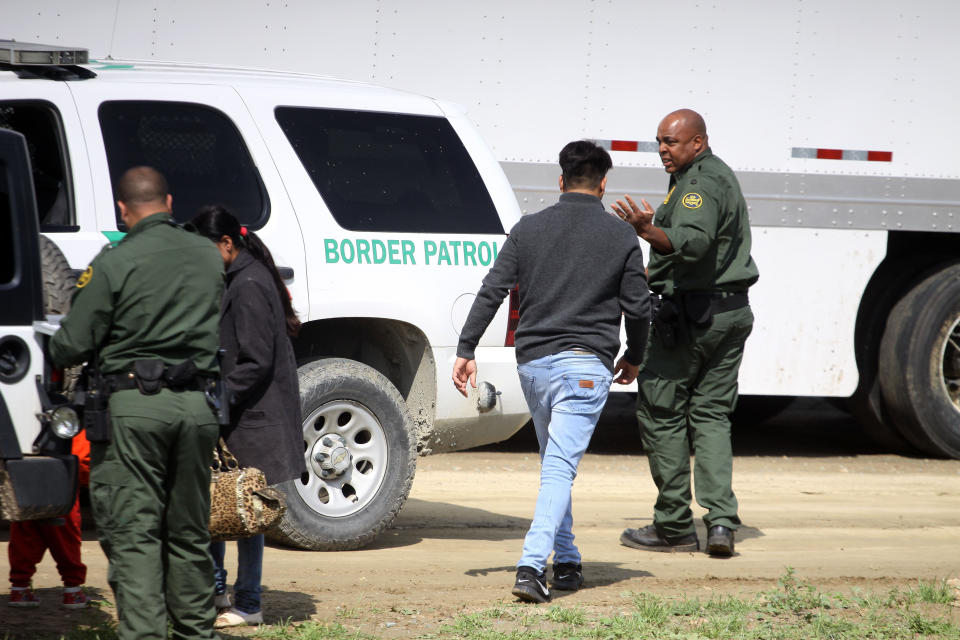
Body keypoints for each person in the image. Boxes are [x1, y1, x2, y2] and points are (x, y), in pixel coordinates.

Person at [453, 140, 650, 603]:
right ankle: (530, 566)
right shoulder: (621, 236)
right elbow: (638, 309)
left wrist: (466, 347)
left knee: (554, 464)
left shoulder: (528, 229)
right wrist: (636, 356)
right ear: (604, 184)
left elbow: (491, 290)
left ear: (560, 181)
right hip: (585, 367)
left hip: (535, 366)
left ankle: (566, 560)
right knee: (559, 467)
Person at [48, 166, 224, 639]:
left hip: (133, 411)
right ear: (168, 202)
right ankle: (194, 632)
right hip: (197, 409)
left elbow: (72, 344)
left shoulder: (114, 261)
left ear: (123, 211)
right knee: (189, 532)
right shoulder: (208, 255)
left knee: (135, 535)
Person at [611, 108, 759, 557]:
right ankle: (720, 526)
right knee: (712, 416)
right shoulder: (710, 175)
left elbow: (694, 242)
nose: (662, 150)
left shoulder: (698, 184)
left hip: (695, 318)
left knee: (661, 411)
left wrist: (647, 231)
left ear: (698, 142)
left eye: (671, 142)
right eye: (659, 141)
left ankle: (674, 525)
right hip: (728, 314)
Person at [190, 205, 306, 629]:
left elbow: (256, 361)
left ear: (226, 244)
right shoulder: (240, 277)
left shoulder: (250, 284)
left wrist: (217, 399)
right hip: (241, 415)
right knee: (222, 503)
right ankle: (219, 591)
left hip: (251, 417)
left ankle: (248, 602)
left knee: (245, 511)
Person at [7, 430, 90, 609]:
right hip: (62, 480)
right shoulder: (69, 420)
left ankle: (19, 588)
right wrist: (81, 479)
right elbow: (82, 459)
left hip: (24, 475)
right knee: (65, 535)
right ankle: (73, 591)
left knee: (24, 534)